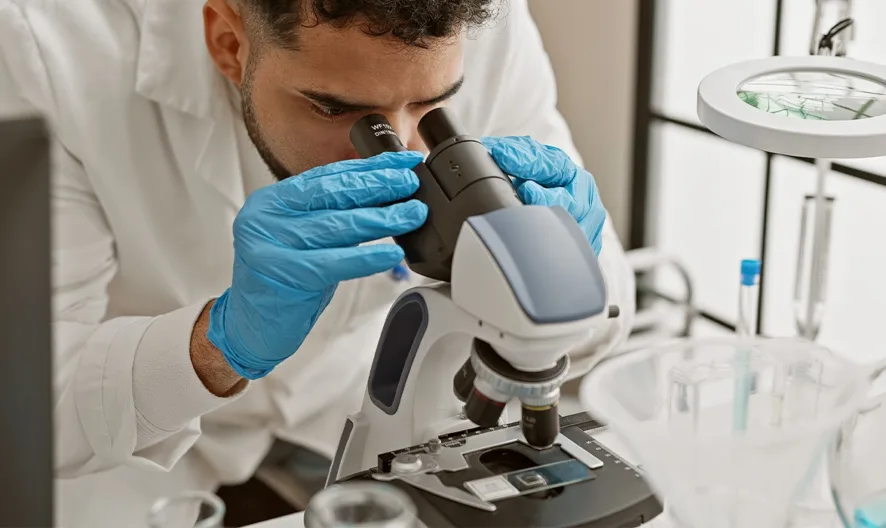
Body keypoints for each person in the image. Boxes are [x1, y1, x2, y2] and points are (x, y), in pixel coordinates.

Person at [0, 0, 635, 525]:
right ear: (228, 42)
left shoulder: (484, 24)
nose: (402, 152)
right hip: (132, 439)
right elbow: (30, 399)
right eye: (336, 109)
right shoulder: (42, 45)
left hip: (348, 407)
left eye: (432, 108)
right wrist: (217, 343)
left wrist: (567, 262)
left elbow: (606, 307)